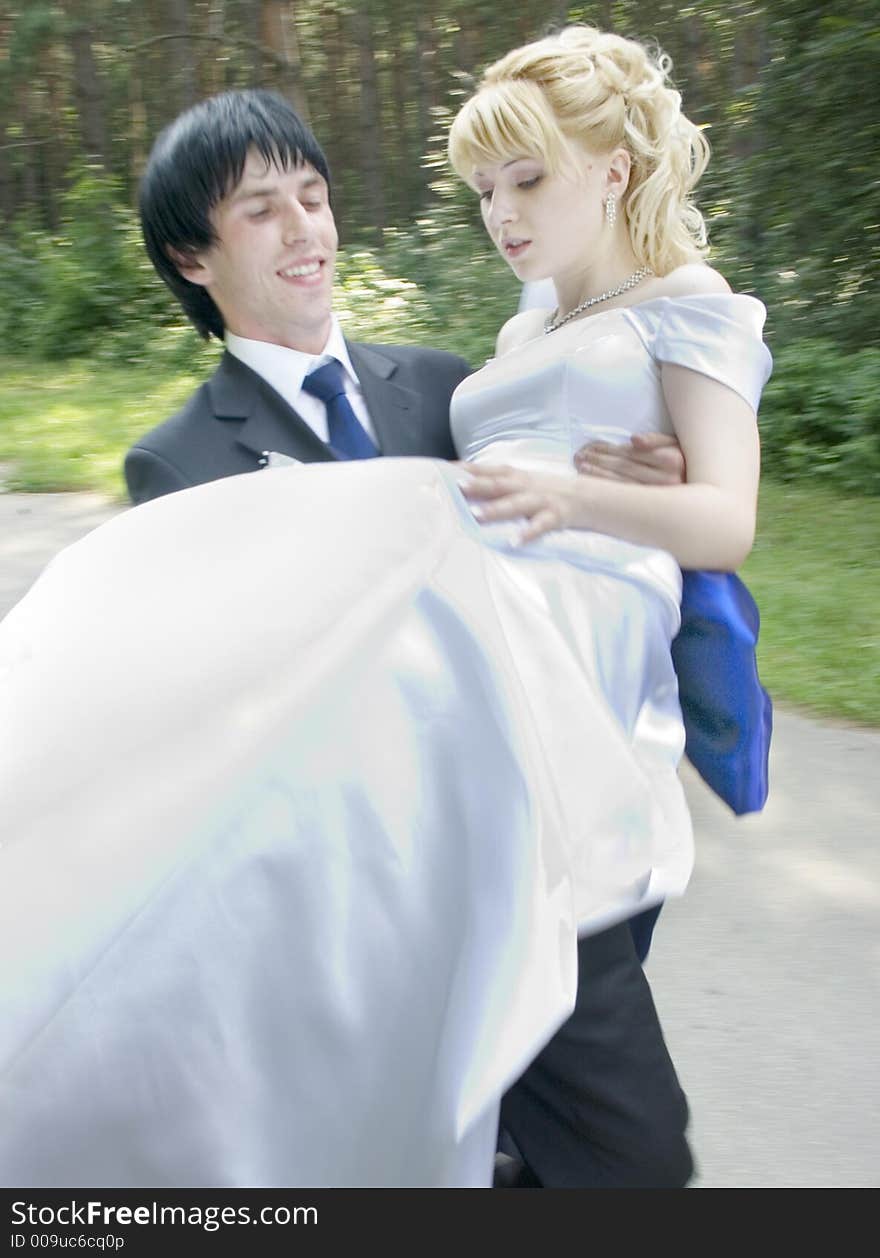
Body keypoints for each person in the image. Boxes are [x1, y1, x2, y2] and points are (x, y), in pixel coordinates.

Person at [0, 28, 771, 1186]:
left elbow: (556, 477)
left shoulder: (452, 380)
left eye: (314, 195)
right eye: (263, 209)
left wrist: (635, 482)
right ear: (191, 257)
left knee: (616, 1145)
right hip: (360, 869)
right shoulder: (174, 466)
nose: (306, 226)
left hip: (547, 794)